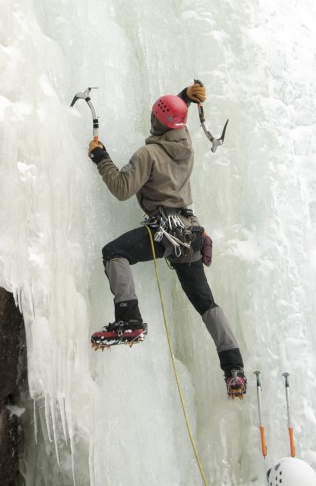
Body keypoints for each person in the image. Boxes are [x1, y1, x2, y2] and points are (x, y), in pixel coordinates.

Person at [88, 82, 247, 398]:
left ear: (155, 121)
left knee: (114, 252)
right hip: (191, 234)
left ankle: (129, 319)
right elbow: (176, 117)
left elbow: (122, 188)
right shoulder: (186, 145)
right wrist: (185, 97)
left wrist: (100, 157)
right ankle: (234, 370)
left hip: (165, 230)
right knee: (205, 303)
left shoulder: (148, 154)